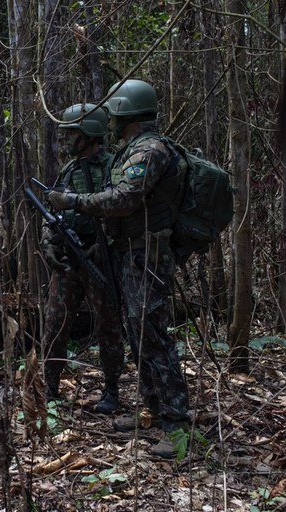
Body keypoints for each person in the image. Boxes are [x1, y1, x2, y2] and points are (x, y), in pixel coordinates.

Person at [46, 80, 190, 457]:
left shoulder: (150, 149)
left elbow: (125, 199)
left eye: (114, 110)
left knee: (153, 336)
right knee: (139, 333)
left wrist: (75, 202)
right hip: (131, 255)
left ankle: (175, 426)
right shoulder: (133, 149)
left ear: (126, 110)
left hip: (147, 257)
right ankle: (156, 411)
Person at [40, 103, 124, 414]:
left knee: (108, 326)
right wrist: (47, 242)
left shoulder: (114, 167)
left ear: (89, 134)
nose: (66, 138)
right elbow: (52, 210)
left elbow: (122, 210)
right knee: (55, 322)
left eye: (72, 132)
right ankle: (49, 388)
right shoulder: (70, 169)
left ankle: (112, 390)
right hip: (67, 259)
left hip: (100, 261)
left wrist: (102, 250)